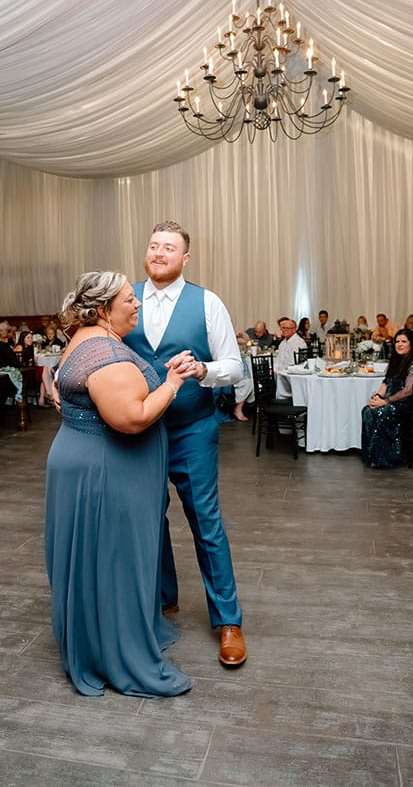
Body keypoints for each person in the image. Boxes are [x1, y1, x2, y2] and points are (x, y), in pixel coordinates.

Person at [45, 270, 194, 697]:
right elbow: (131, 418)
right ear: (101, 311)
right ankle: (117, 652)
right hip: (106, 470)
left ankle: (102, 635)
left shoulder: (86, 338)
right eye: (129, 299)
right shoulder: (103, 353)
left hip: (91, 462)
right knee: (114, 558)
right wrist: (171, 383)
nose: (138, 303)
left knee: (100, 557)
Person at [123, 221, 246, 667]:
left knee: (206, 523)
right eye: (153, 245)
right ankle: (163, 601)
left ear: (185, 258)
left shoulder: (207, 302)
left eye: (169, 248)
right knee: (147, 518)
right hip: (139, 427)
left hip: (193, 429)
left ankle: (228, 621)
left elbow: (234, 366)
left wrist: (203, 372)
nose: (158, 253)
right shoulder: (126, 299)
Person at [361, 329, 413, 469]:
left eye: (404, 341)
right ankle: (372, 456)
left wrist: (386, 401)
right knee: (367, 410)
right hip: (390, 398)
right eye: (397, 341)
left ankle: (389, 457)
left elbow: (408, 390)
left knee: (381, 412)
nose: (399, 344)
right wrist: (377, 398)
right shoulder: (396, 359)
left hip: (406, 402)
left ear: (411, 344)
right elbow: (386, 382)